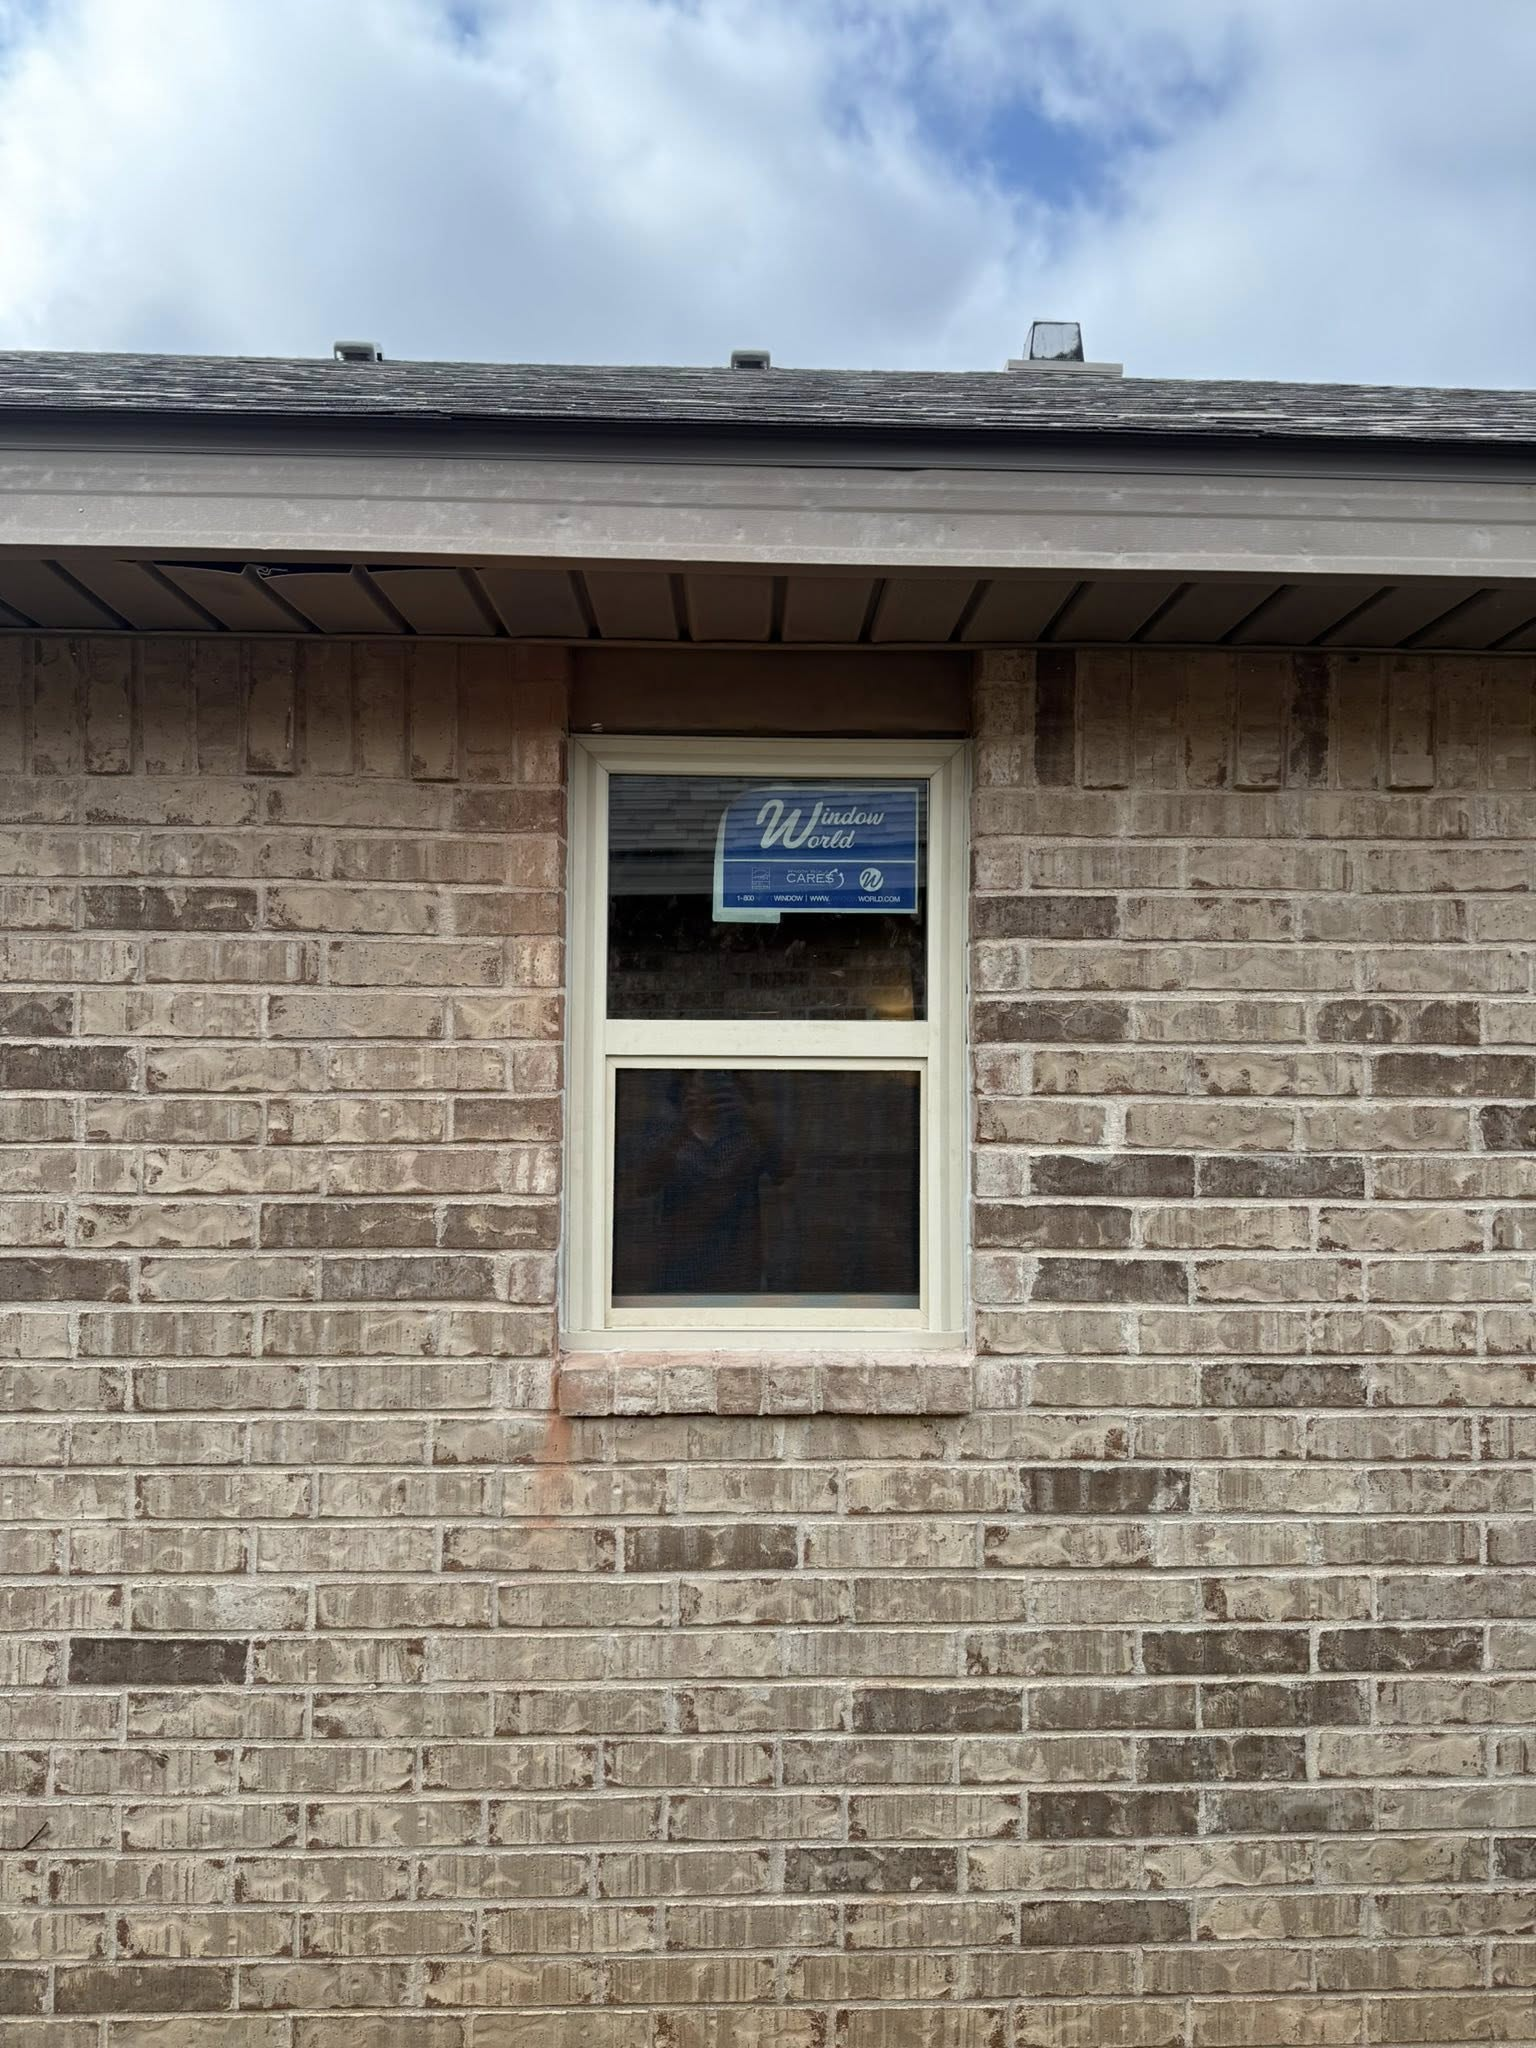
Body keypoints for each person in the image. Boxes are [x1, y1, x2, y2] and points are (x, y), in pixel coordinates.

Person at [618, 1071, 791, 1299]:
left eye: (718, 1091)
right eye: (699, 1090)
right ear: (682, 1095)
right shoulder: (669, 1135)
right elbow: (643, 1186)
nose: (710, 1098)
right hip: (679, 1257)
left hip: (738, 1258)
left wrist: (750, 1115)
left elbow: (785, 1171)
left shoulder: (747, 1136)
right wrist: (684, 1126)